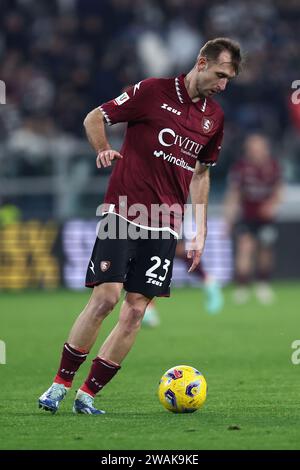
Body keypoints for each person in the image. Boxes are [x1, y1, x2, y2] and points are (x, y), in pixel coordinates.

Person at [38, 37, 241, 415]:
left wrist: (200, 230)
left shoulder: (214, 117)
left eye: (228, 79)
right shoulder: (151, 91)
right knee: (106, 298)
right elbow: (94, 117)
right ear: (201, 62)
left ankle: (87, 396)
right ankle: (58, 386)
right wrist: (102, 147)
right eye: (220, 74)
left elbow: (201, 175)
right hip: (124, 210)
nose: (223, 85)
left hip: (166, 225)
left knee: (135, 311)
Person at [224, 133, 282, 304]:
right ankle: (242, 287)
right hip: (247, 216)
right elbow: (234, 194)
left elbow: (279, 191)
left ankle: (263, 284)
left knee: (265, 250)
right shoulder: (241, 168)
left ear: (265, 148)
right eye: (252, 148)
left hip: (266, 218)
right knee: (244, 248)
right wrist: (228, 219)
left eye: (258, 147)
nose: (255, 151)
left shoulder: (273, 166)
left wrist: (271, 205)